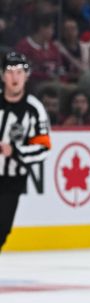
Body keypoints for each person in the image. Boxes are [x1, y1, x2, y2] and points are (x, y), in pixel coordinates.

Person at [0, 52, 51, 252]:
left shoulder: (34, 109)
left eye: (19, 72)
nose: (15, 77)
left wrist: (16, 151)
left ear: (26, 75)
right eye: (10, 72)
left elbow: (43, 147)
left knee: (2, 229)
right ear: (3, 75)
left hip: (13, 180)